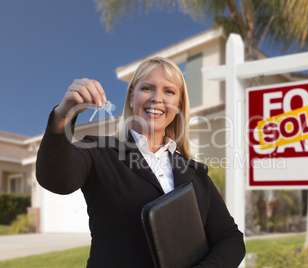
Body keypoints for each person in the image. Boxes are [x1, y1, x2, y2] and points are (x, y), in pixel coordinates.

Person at [36, 56, 246, 267]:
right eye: (147, 88)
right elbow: (55, 179)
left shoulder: (195, 172)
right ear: (131, 97)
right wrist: (63, 114)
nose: (157, 98)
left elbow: (229, 238)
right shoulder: (98, 151)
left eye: (169, 91)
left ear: (179, 105)